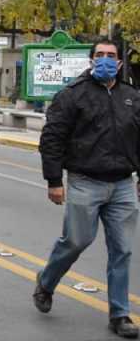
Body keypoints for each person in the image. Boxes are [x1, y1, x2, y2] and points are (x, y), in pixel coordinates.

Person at [34, 39, 140, 339]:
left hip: (122, 185)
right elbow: (51, 139)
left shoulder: (132, 96)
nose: (106, 60)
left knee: (123, 250)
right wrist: (54, 181)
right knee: (76, 241)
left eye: (111, 56)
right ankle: (47, 281)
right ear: (90, 59)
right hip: (84, 181)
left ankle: (119, 314)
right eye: (100, 55)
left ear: (120, 63)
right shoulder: (72, 95)